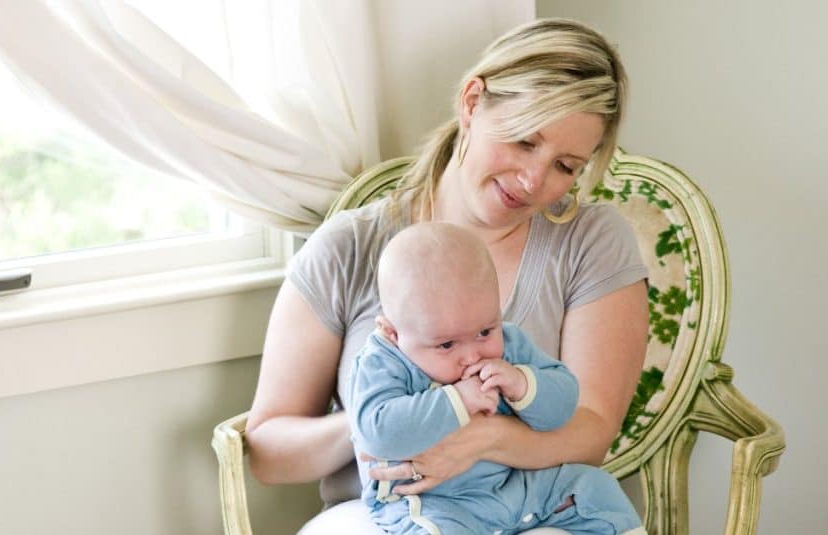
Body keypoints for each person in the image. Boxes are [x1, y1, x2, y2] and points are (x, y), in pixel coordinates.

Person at [245, 17, 649, 533]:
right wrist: (394, 424)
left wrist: (482, 439)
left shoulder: (590, 242)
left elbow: (591, 430)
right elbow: (267, 451)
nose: (533, 181)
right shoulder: (348, 247)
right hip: (388, 514)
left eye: (565, 166)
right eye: (524, 141)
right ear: (472, 101)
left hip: (534, 507)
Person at [349, 221, 644, 535]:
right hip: (433, 502)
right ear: (392, 332)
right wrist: (458, 399)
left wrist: (523, 384)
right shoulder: (381, 362)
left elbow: (564, 403)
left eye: (484, 331)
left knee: (593, 488)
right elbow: (377, 432)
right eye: (447, 345)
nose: (473, 356)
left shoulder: (510, 343)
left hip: (515, 485)